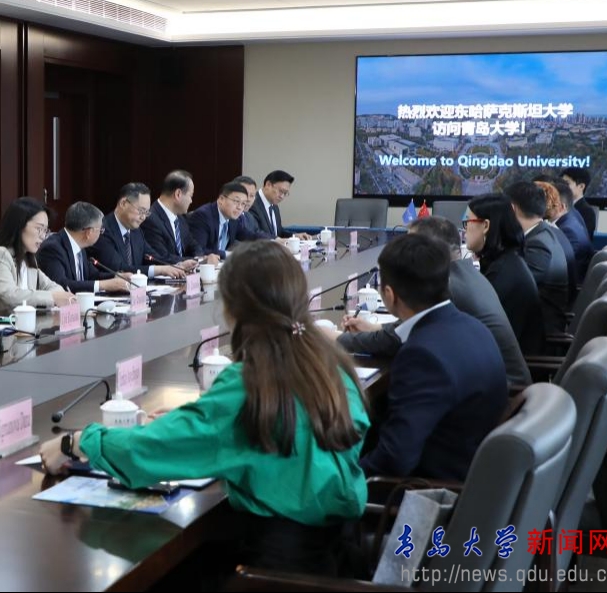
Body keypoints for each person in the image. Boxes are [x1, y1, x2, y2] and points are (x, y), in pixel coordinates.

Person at [40, 240, 370, 574]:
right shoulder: (331, 366)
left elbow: (152, 449)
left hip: (272, 570)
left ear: (232, 310)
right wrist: (192, 419)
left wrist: (78, 441)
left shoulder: (253, 383)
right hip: (335, 554)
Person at [359, 233, 507, 481]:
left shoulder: (422, 357)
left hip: (432, 487)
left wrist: (342, 480)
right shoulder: (473, 325)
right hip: (474, 465)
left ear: (389, 294)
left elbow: (394, 459)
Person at [335, 216, 531, 388]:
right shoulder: (465, 272)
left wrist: (336, 339)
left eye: (410, 246)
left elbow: (394, 342)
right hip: (496, 388)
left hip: (505, 393)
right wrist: (374, 328)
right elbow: (415, 327)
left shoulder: (447, 286)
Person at [464, 193, 545, 355]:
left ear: (486, 226)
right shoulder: (507, 260)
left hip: (508, 365)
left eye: (467, 222)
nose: (464, 229)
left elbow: (482, 331)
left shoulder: (502, 273)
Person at [0, 197, 76, 312]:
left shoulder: (28, 258)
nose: (43, 236)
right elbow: (12, 295)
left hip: (20, 321)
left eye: (45, 230)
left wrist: (61, 295)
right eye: (39, 229)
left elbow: (51, 286)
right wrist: (53, 297)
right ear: (20, 225)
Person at [504, 181, 570, 335]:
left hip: (538, 332)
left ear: (512, 209)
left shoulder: (538, 244)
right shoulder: (543, 233)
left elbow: (514, 288)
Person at [88, 182, 186, 279]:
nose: (143, 217)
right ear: (123, 203)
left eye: (146, 212)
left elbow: (153, 257)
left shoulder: (136, 231)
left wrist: (179, 264)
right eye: (141, 211)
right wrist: (159, 270)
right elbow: (119, 268)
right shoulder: (102, 230)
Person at [37, 201, 130, 294]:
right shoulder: (52, 248)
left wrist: (117, 276)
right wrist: (104, 285)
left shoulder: (80, 246)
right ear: (88, 232)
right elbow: (61, 284)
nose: (101, 233)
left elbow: (93, 275)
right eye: (100, 230)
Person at [141, 169, 214, 267]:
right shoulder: (150, 219)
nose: (191, 201)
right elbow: (161, 257)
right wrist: (196, 260)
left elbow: (193, 244)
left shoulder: (180, 217)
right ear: (178, 194)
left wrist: (200, 258)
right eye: (191, 196)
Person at [188, 181, 249, 258]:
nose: (239, 207)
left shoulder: (234, 218)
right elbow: (199, 250)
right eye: (236, 201)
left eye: (243, 204)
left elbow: (248, 235)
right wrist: (228, 254)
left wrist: (265, 241)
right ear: (221, 199)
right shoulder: (203, 216)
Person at [547, 179, 593, 281]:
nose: (544, 206)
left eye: (548, 203)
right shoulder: (570, 218)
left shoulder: (568, 231)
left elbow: (558, 265)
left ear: (561, 207)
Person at [251, 170, 296, 239]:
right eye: (281, 191)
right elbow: (255, 233)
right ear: (268, 185)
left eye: (285, 193)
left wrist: (294, 236)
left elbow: (278, 232)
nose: (282, 196)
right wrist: (276, 240)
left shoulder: (274, 205)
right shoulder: (252, 203)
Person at [560, 166, 597, 240]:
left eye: (567, 183)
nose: (562, 187)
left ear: (581, 186)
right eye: (561, 183)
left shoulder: (587, 211)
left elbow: (583, 239)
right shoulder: (559, 206)